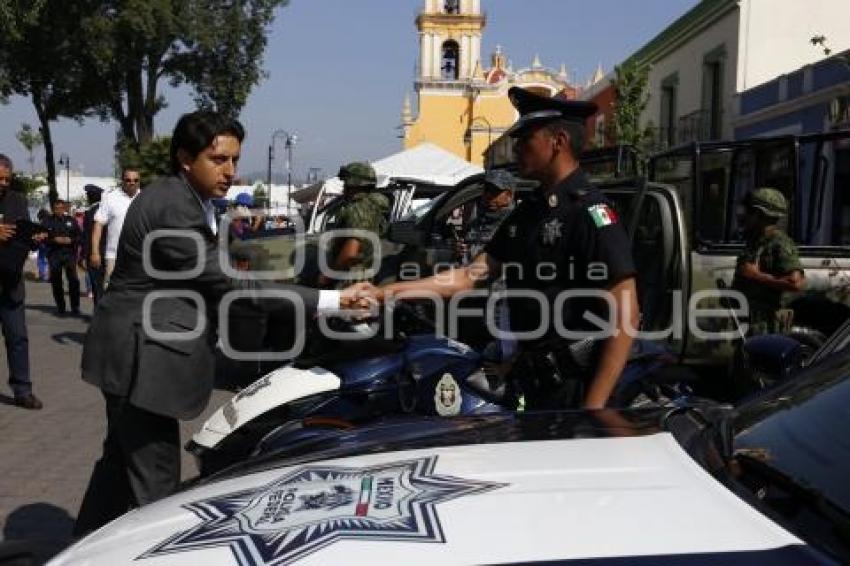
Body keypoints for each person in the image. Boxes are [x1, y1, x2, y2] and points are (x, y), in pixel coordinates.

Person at [74, 111, 370, 536]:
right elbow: (229, 283)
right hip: (139, 359)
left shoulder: (187, 199)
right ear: (184, 158)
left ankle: (77, 549)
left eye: (234, 159)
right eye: (218, 159)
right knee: (155, 487)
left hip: (129, 352)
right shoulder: (175, 204)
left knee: (119, 465)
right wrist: (331, 299)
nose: (230, 171)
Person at [368, 87, 639, 410]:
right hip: (531, 383)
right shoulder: (528, 214)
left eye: (526, 139)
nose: (517, 148)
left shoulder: (591, 213)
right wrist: (386, 292)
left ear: (559, 141)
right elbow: (469, 276)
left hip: (575, 390)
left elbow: (626, 314)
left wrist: (593, 409)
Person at [0, 154, 43, 409]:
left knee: (18, 338)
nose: (3, 183)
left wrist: (33, 237)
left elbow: (22, 235)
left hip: (11, 284)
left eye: (7, 178)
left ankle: (22, 389)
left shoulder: (18, 200)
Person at [732, 187, 804, 335]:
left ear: (759, 214)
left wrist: (756, 276)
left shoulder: (779, 243)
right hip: (750, 324)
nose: (743, 216)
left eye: (748, 212)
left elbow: (795, 283)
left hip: (766, 327)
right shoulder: (755, 241)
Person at [319, 162, 389, 286]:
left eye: (345, 183)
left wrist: (327, 277)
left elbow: (350, 252)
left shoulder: (358, 208)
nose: (343, 188)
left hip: (350, 279)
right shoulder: (374, 205)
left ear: (354, 184)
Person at [90, 167, 141, 287]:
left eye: (135, 180)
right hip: (114, 256)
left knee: (136, 295)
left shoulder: (145, 198)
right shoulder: (110, 198)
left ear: (139, 181)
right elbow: (98, 224)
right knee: (112, 293)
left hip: (138, 256)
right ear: (122, 180)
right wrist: (95, 252)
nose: (132, 183)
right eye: (128, 180)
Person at [455, 169, 516, 264]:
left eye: (494, 191)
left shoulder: (516, 220)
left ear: (509, 195)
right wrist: (459, 250)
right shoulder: (474, 213)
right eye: (486, 189)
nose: (487, 195)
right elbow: (465, 242)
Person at [42, 199, 82, 316]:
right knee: (56, 282)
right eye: (56, 208)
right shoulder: (47, 222)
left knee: (73, 281)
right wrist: (53, 240)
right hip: (54, 254)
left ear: (65, 209)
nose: (59, 210)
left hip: (69, 254)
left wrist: (71, 240)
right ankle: (61, 306)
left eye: (61, 208)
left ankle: (75, 307)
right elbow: (42, 238)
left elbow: (80, 237)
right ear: (53, 209)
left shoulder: (71, 221)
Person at [81, 184, 106, 304]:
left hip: (95, 253)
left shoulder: (93, 212)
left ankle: (99, 315)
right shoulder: (103, 209)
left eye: (88, 195)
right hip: (105, 252)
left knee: (97, 286)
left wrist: (83, 255)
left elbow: (88, 236)